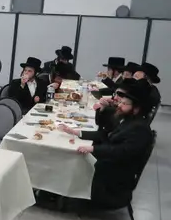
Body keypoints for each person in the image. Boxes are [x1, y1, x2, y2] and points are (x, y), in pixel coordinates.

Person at [58, 79, 154, 210]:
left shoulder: (139, 128)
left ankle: (63, 192)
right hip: (111, 162)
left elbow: (121, 151)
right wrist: (76, 132)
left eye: (124, 103)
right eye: (120, 102)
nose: (119, 105)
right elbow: (104, 134)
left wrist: (93, 148)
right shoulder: (127, 119)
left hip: (115, 175)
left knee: (74, 157)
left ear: (136, 109)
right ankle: (61, 190)